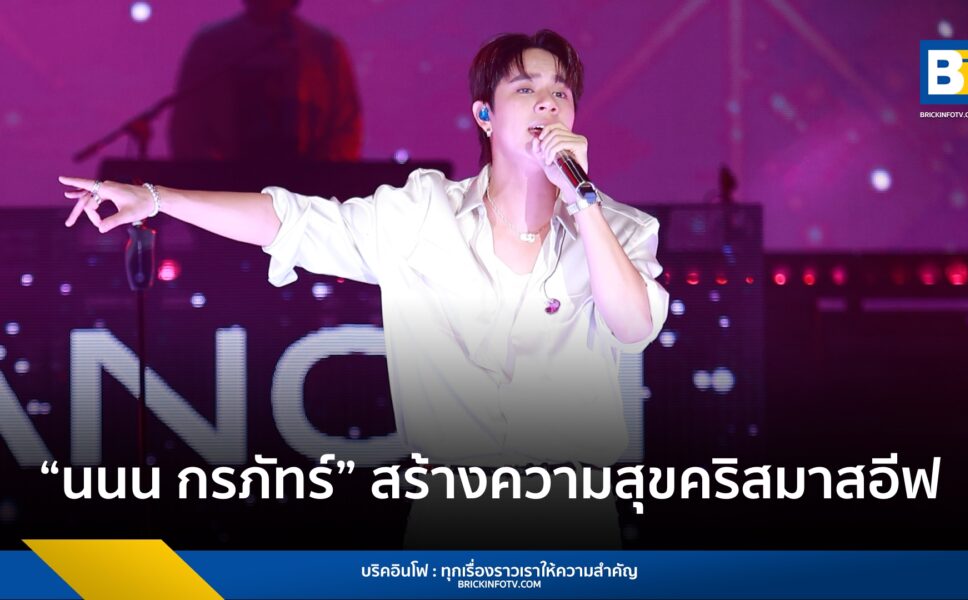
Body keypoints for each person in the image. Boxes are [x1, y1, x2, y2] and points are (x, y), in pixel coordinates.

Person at [62, 30, 668, 546]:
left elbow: (634, 326)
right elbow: (292, 221)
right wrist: (157, 198)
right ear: (484, 114)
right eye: (525, 89)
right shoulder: (423, 215)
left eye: (561, 92)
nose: (548, 103)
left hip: (574, 520)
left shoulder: (619, 230)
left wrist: (583, 200)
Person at [168, 0, 362, 161]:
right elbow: (187, 127)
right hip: (227, 185)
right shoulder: (211, 46)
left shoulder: (324, 48)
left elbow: (346, 126)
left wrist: (322, 176)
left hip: (308, 186)